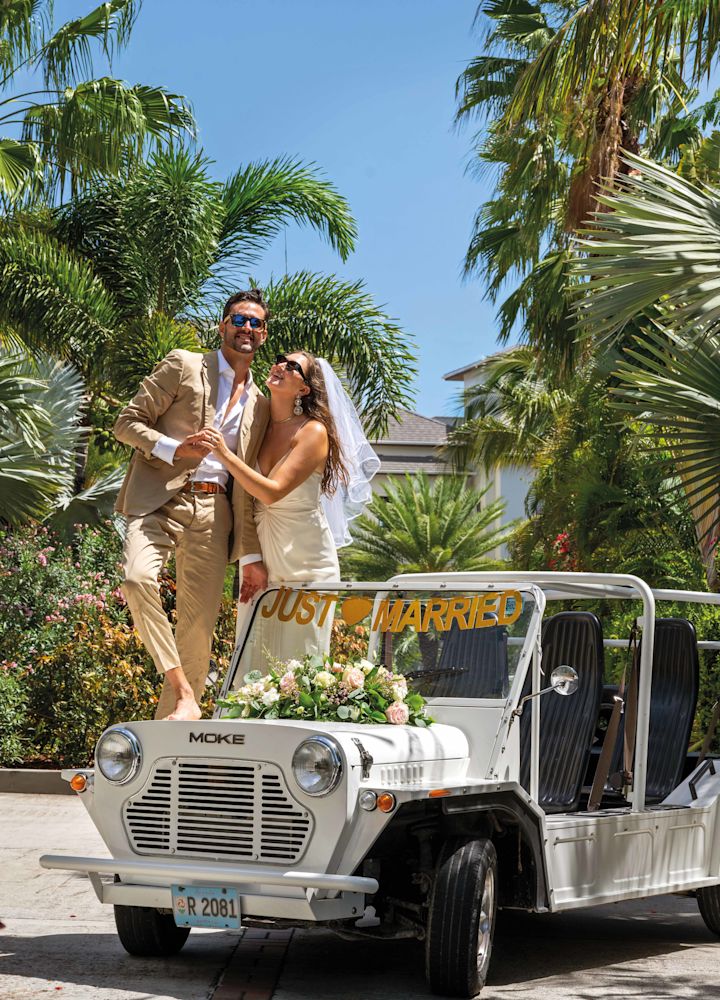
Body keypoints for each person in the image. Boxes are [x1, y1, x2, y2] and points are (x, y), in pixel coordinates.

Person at [113, 289, 271, 720]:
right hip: (159, 498)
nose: (247, 329)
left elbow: (248, 483)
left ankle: (176, 732)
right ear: (223, 326)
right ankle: (183, 689)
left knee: (197, 633)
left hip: (216, 513)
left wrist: (251, 554)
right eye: (239, 320)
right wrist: (174, 448)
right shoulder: (184, 364)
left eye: (256, 323)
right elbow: (126, 423)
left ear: (263, 334)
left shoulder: (261, 404)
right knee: (136, 578)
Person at [198, 351, 379, 662]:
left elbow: (273, 492)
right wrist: (250, 557)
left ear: (304, 388)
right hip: (263, 562)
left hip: (307, 563)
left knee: (299, 666)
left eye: (292, 366)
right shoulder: (258, 425)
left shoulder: (313, 432)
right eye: (280, 359)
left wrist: (223, 454)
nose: (281, 365)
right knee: (251, 660)